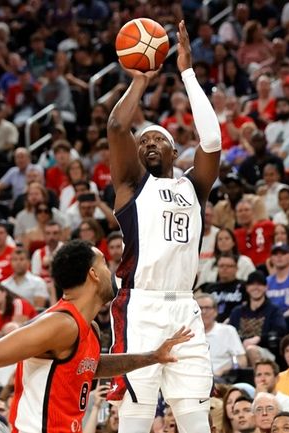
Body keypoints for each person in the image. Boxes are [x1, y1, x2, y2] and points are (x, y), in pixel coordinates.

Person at [0, 240, 192, 433]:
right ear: (93, 275)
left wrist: (153, 357)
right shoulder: (60, 324)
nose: (112, 271)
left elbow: (91, 366)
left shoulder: (88, 329)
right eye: (103, 263)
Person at [105, 21, 221, 433]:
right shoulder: (133, 186)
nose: (148, 144)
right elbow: (118, 128)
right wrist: (140, 80)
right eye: (144, 143)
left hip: (185, 307)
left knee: (194, 416)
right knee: (136, 415)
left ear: (174, 150)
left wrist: (187, 72)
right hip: (142, 305)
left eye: (157, 140)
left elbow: (212, 141)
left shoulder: (194, 186)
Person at [196, 293, 247, 380]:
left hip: (219, 378)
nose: (203, 312)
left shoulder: (228, 331)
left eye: (207, 308)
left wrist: (225, 369)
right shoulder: (186, 333)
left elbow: (242, 361)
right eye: (199, 308)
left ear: (216, 311)